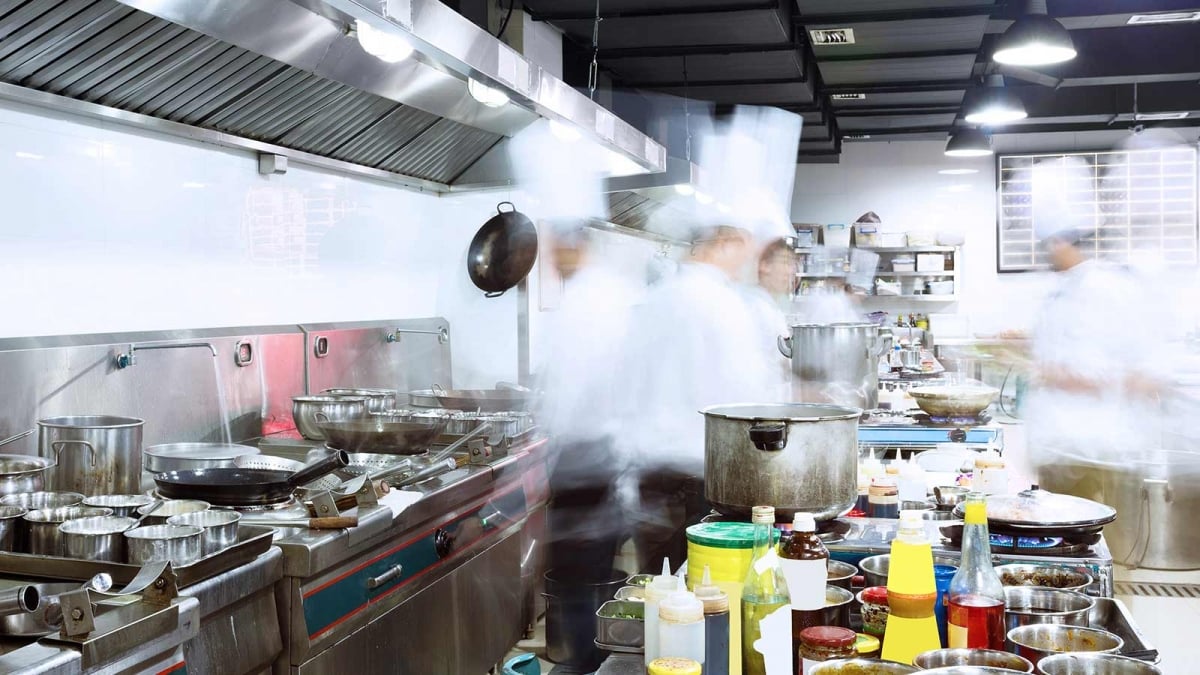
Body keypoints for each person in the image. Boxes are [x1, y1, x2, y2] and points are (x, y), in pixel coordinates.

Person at [625, 222, 786, 572]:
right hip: (698, 472)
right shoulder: (722, 303)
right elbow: (749, 396)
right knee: (701, 584)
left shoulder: (658, 296)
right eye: (744, 244)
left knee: (655, 582)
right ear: (725, 244)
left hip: (651, 469)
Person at [537, 221, 642, 583]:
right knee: (592, 576)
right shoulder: (610, 292)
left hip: (586, 465)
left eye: (554, 250)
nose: (550, 261)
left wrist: (541, 457)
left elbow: (567, 399)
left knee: (579, 581)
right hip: (606, 463)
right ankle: (594, 635)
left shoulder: (585, 302)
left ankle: (586, 639)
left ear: (573, 246)